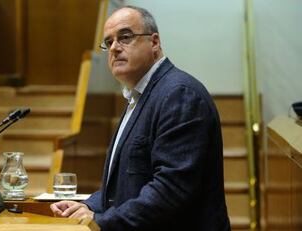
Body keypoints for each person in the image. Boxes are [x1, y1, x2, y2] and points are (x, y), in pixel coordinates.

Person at [50, 6, 231, 231]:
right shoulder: (139, 97)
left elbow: (170, 190)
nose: (115, 47)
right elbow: (127, 186)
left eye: (125, 37)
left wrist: (99, 222)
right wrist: (86, 206)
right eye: (108, 42)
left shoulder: (179, 94)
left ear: (154, 42)